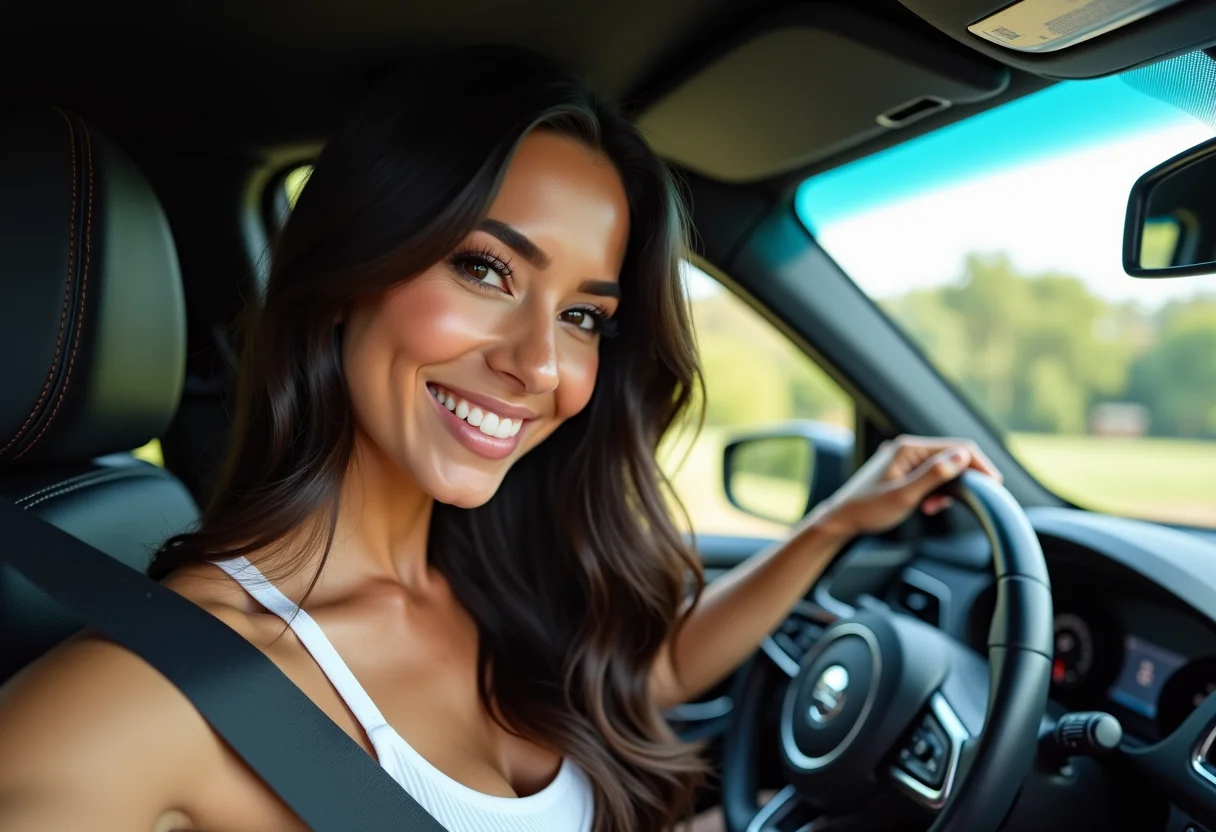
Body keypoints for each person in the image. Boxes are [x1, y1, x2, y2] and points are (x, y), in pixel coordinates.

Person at [0, 45, 1000, 832]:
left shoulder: (484, 574)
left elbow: (640, 679)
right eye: (486, 269)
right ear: (350, 273)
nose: (541, 366)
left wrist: (835, 522)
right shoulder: (137, 698)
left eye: (584, 317)